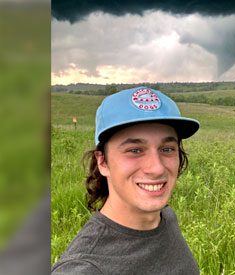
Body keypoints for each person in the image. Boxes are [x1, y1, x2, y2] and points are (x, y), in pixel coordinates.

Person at [52, 87, 200, 274]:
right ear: (103, 162)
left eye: (167, 149)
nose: (157, 168)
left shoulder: (165, 218)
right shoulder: (84, 268)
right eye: (135, 150)